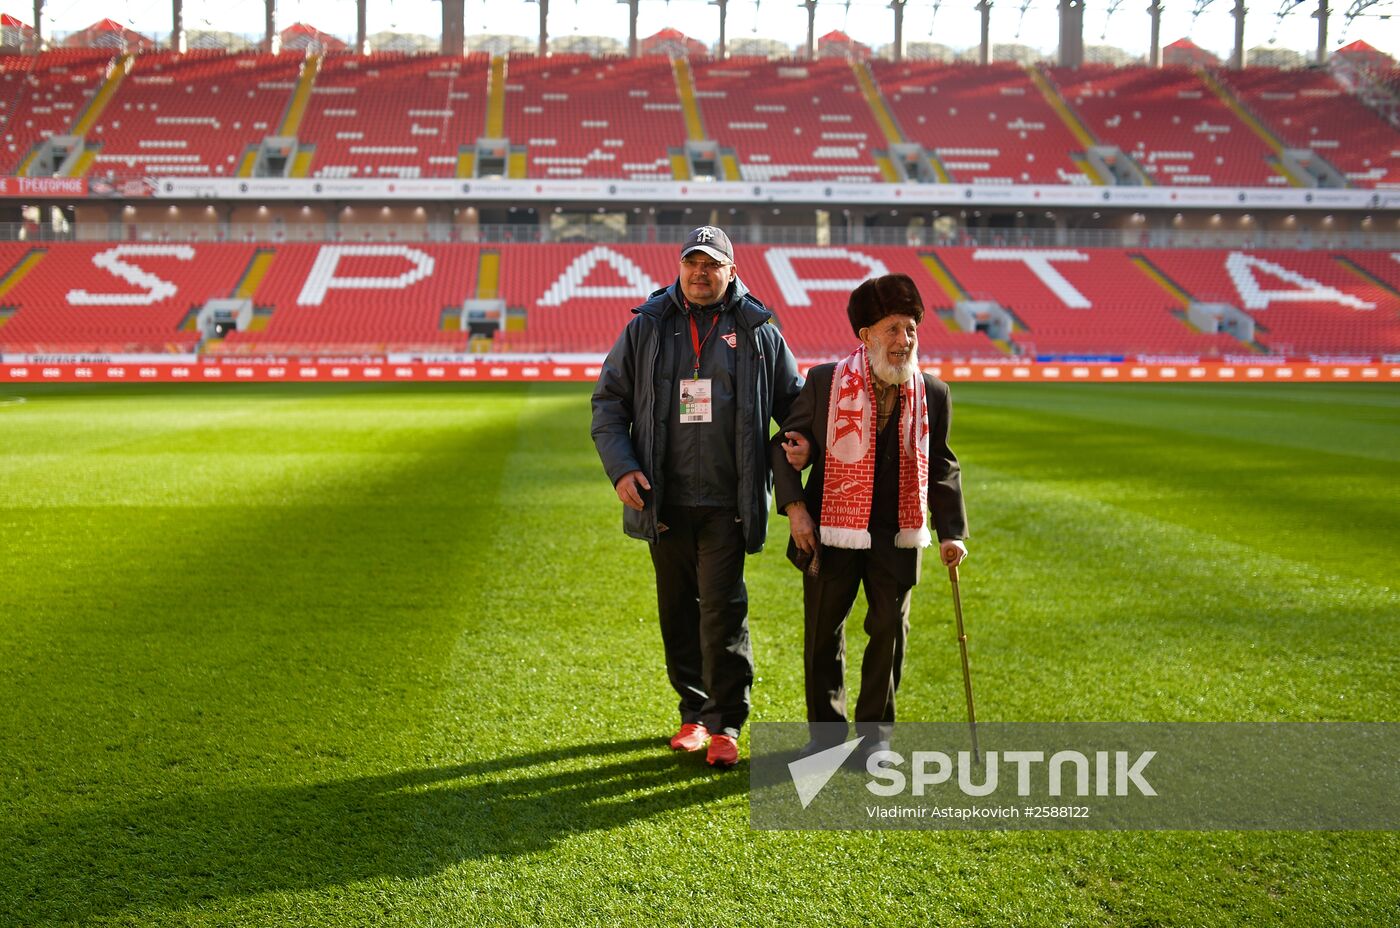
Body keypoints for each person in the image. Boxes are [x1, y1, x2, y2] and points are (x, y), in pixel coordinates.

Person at [591, 225, 803, 769]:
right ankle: (693, 712)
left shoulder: (758, 331)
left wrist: (801, 443)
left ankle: (727, 722)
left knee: (723, 611)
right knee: (677, 611)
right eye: (692, 262)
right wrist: (622, 470)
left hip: (729, 503)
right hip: (663, 501)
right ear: (679, 267)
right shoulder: (648, 327)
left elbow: (793, 405)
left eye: (712, 264)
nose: (700, 272)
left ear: (731, 271)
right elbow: (608, 404)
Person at [771, 273, 968, 767]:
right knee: (822, 634)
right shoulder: (823, 381)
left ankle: (874, 740)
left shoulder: (933, 394)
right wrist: (796, 510)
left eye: (911, 330)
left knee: (889, 631)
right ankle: (825, 739)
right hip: (829, 530)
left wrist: (952, 533)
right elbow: (784, 447)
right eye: (893, 330)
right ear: (865, 335)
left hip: (897, 534)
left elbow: (941, 463)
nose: (904, 341)